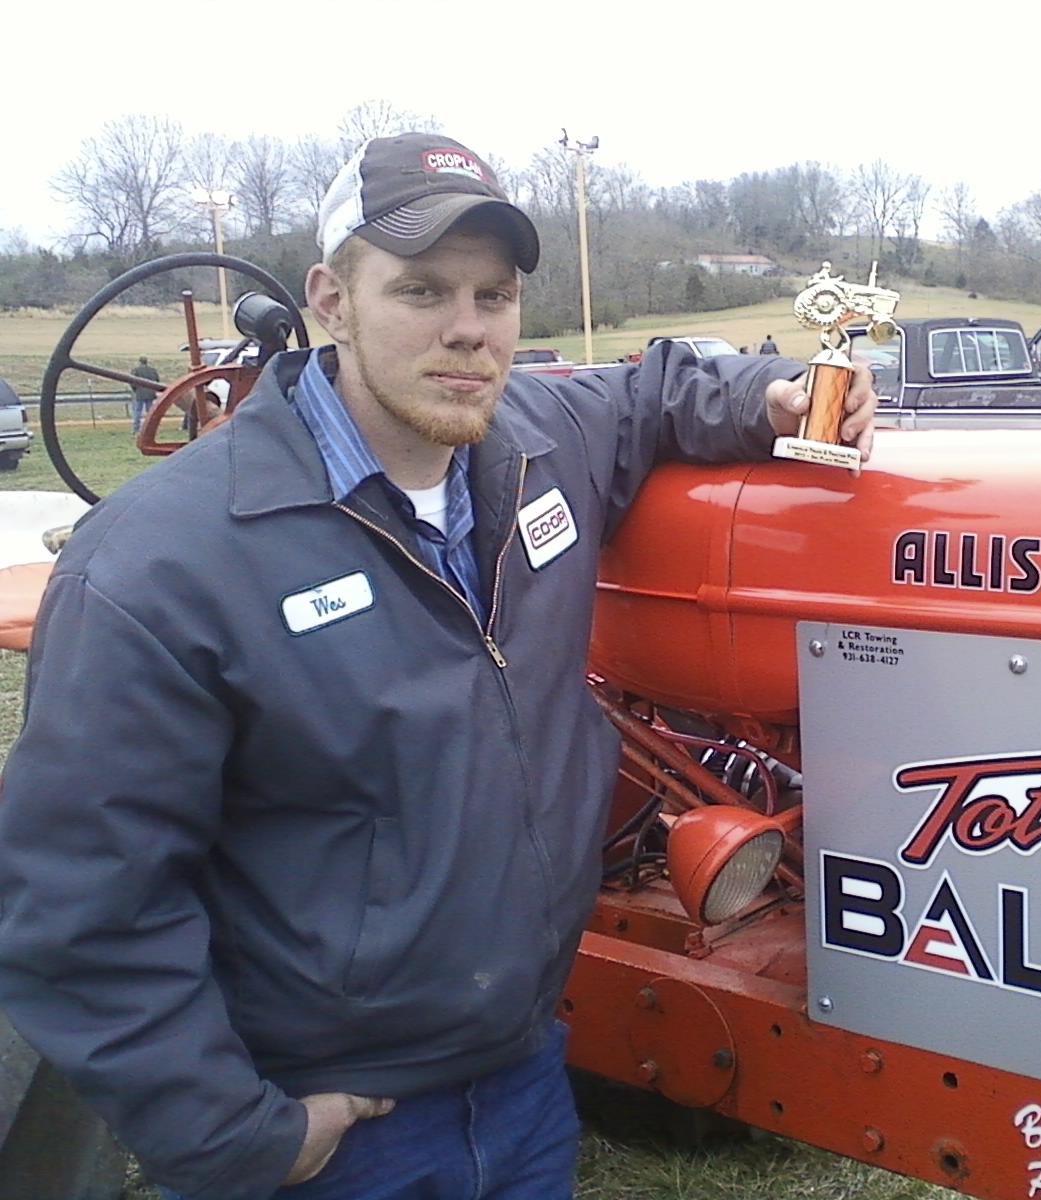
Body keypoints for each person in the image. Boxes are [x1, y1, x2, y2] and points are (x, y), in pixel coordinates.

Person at [0, 132, 875, 1200]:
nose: (467, 331)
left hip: (520, 1080)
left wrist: (773, 394)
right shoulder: (163, 561)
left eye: (494, 296)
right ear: (331, 297)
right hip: (330, 1125)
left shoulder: (534, 439)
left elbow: (646, 394)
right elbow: (81, 903)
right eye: (420, 290)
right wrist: (242, 1140)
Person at [130, 355, 161, 433]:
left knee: (137, 411)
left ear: (139, 362)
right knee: (150, 412)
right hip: (151, 393)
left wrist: (135, 389)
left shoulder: (136, 370)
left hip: (139, 394)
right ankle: (150, 428)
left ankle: (136, 429)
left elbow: (132, 381)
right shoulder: (153, 370)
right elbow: (157, 381)